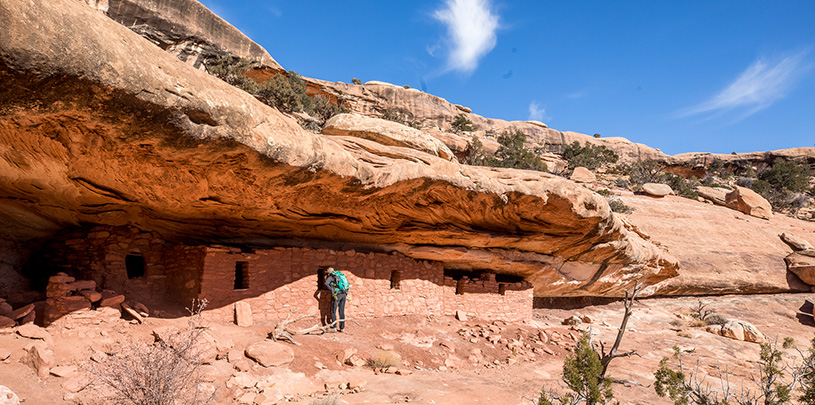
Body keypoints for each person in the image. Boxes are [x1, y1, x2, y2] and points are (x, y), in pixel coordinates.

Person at [324, 267, 350, 332]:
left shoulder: (331, 277)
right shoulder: (339, 276)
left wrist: (332, 290)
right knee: (341, 311)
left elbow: (326, 283)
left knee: (333, 310)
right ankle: (342, 327)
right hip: (343, 294)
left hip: (337, 295)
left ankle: (334, 327)